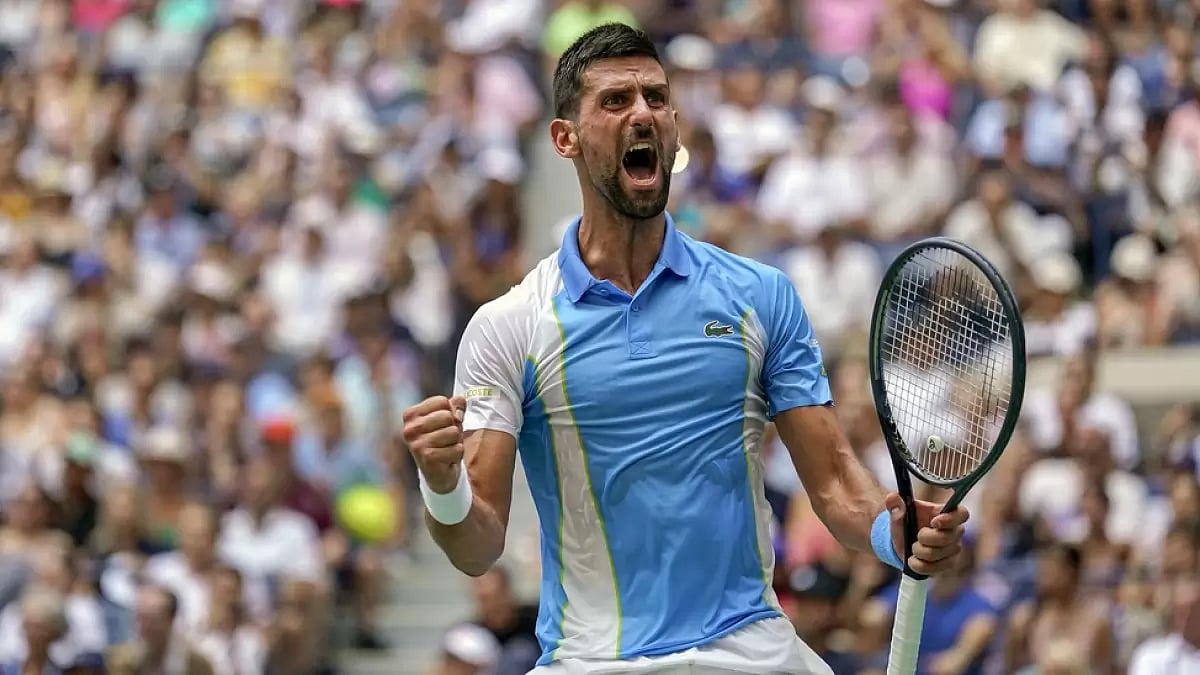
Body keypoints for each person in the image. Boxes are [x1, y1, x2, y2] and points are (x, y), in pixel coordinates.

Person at [401, 23, 970, 674]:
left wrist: (889, 529)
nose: (643, 112)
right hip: (597, 661)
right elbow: (477, 546)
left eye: (656, 97)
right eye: (616, 101)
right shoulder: (510, 326)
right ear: (565, 138)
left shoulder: (760, 295)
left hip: (752, 651)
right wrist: (443, 482)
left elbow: (837, 480)